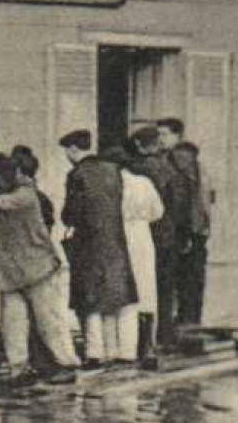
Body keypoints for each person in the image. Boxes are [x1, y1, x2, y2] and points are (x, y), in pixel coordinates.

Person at [0, 149, 81, 387]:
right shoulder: (11, 192)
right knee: (13, 326)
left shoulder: (25, 196)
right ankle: (18, 369)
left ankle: (66, 364)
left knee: (50, 323)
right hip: (12, 274)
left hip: (38, 272)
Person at [58, 129, 137, 368]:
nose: (67, 157)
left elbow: (71, 213)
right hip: (114, 240)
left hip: (88, 243)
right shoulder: (113, 171)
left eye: (67, 152)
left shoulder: (77, 174)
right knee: (112, 297)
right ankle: (112, 349)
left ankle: (94, 352)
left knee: (88, 299)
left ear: (73, 149)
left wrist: (68, 220)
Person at [132, 123, 188, 353]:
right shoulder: (169, 169)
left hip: (148, 235)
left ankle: (145, 341)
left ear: (139, 145)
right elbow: (179, 203)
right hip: (169, 235)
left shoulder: (139, 170)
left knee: (144, 288)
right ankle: (165, 335)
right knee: (165, 289)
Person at [158, 118, 211, 327]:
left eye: (164, 134)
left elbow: (184, 200)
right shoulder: (194, 161)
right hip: (196, 229)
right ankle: (191, 322)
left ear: (177, 136)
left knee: (181, 280)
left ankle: (184, 325)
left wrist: (185, 232)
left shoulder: (178, 159)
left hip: (184, 230)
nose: (160, 139)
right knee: (192, 281)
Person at [120, 132, 167, 363]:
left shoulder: (116, 184)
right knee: (147, 289)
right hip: (144, 235)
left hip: (122, 235)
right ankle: (147, 345)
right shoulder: (145, 182)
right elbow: (158, 212)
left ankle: (126, 345)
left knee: (128, 289)